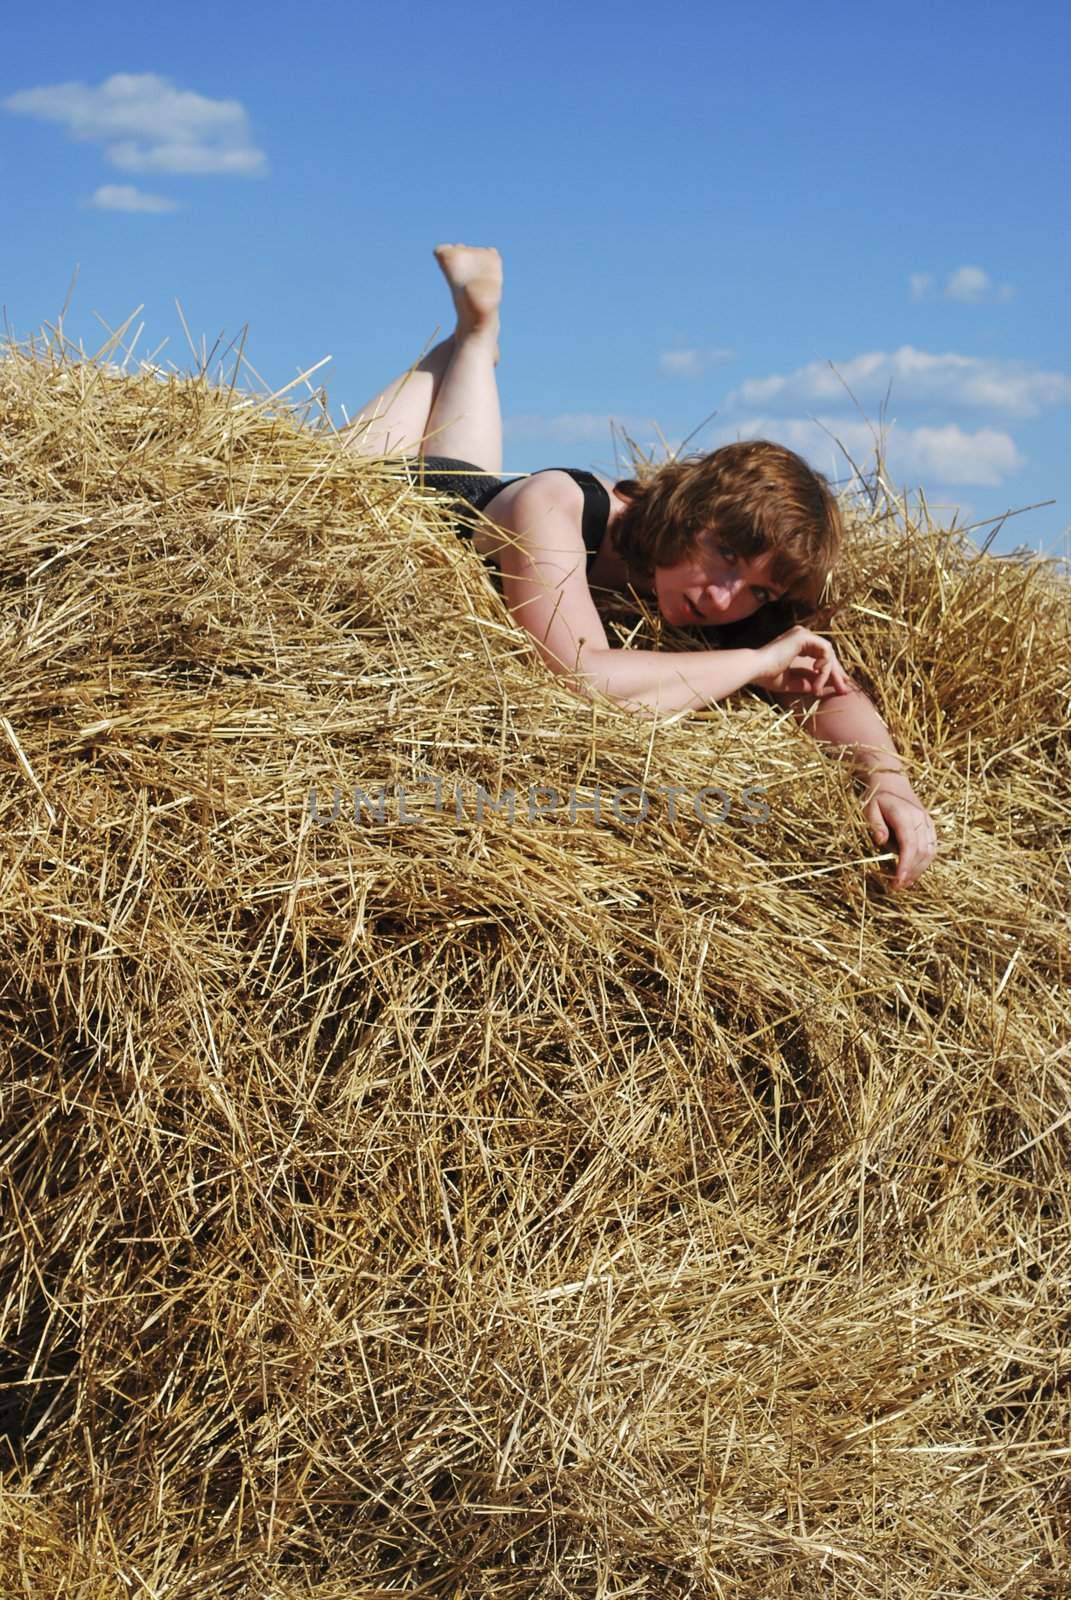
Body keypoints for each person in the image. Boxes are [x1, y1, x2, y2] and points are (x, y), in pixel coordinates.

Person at [340, 244, 937, 889]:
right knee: (339, 465)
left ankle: (479, 333)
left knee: (477, 431)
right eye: (727, 555)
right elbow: (577, 679)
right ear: (692, 510)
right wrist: (753, 664)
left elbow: (829, 692)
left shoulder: (730, 595)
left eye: (759, 590)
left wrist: (888, 779)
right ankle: (472, 333)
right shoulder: (560, 504)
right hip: (405, 498)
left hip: (484, 494)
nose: (724, 599)